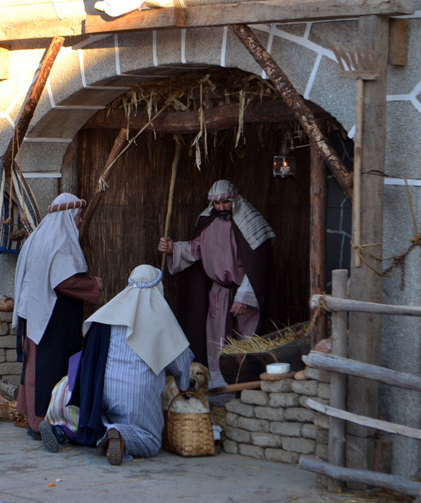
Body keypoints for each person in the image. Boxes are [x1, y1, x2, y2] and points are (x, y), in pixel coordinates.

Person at [40, 264, 194, 465]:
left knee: (99, 422)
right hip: (137, 396)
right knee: (151, 441)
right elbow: (182, 365)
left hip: (101, 390)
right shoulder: (162, 320)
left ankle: (79, 432)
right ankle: (120, 435)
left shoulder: (108, 315)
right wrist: (185, 388)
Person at [157, 179, 274, 401]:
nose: (221, 207)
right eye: (217, 203)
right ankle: (219, 395)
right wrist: (173, 248)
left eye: (225, 202)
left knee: (245, 342)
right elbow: (194, 249)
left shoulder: (252, 222)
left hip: (245, 295)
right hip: (219, 293)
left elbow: (258, 265)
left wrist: (244, 296)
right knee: (217, 342)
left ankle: (244, 391)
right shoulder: (208, 222)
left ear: (235, 199)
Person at [12, 193, 103, 440]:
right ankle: (44, 423)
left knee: (36, 367)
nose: (80, 221)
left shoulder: (38, 238)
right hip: (51, 317)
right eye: (78, 216)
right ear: (67, 216)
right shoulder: (60, 242)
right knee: (48, 369)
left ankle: (36, 418)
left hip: (37, 313)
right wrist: (93, 285)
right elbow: (64, 282)